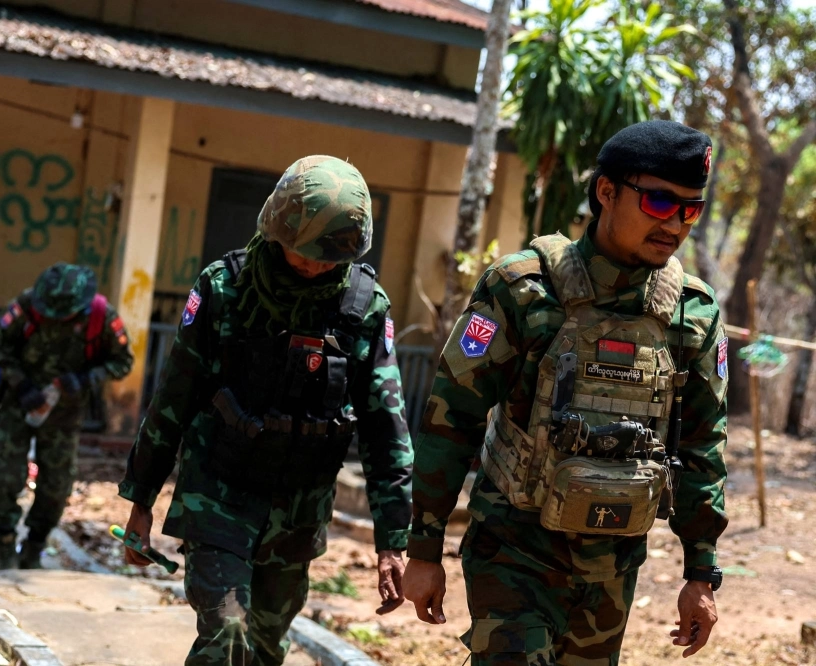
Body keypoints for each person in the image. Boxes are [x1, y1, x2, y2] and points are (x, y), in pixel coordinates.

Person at [403, 120, 729, 665]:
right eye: (658, 202)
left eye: (690, 210)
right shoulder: (523, 290)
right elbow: (451, 420)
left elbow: (703, 447)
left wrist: (701, 572)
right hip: (513, 553)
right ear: (607, 192)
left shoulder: (691, 314)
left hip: (613, 568)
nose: (674, 223)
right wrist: (424, 548)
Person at [119, 155, 413, 666]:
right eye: (306, 253)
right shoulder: (224, 289)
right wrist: (140, 499)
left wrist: (393, 541)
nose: (316, 267)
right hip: (217, 497)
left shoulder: (364, 307)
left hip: (298, 515)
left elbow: (385, 428)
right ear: (277, 229)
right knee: (227, 635)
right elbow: (174, 398)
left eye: (330, 258)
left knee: (264, 650)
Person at [0, 262, 133, 570]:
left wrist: (86, 378)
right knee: (4, 475)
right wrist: (20, 383)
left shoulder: (101, 316)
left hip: (65, 414)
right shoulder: (27, 305)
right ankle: (5, 551)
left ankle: (33, 550)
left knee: (56, 485)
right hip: (19, 403)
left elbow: (122, 361)